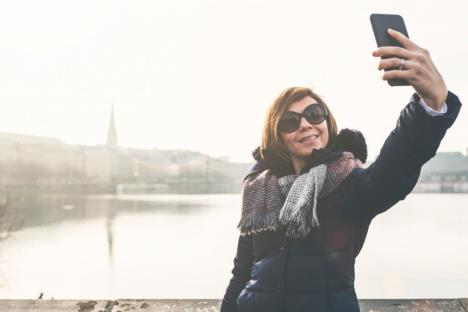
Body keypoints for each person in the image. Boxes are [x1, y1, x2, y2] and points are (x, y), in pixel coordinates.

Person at [220, 28, 462, 312]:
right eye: (290, 121)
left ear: (326, 121)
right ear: (277, 135)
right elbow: (241, 273)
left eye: (314, 114)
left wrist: (429, 107)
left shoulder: (352, 185)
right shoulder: (259, 190)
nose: (306, 125)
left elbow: (397, 166)